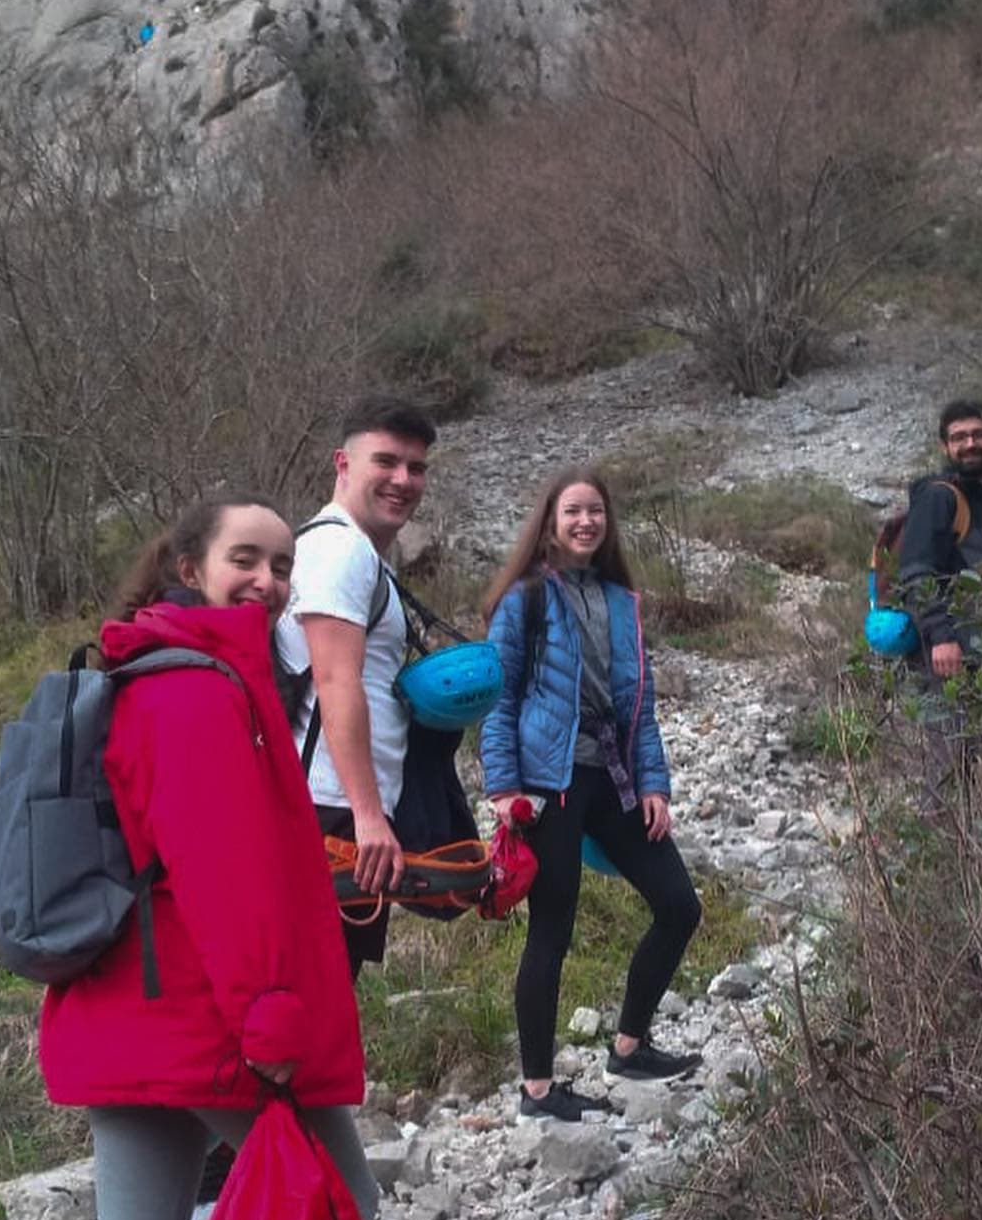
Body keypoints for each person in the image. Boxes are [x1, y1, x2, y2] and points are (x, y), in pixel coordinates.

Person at [36, 495, 381, 1220]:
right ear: (187, 563)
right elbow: (226, 875)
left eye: (284, 564)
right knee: (341, 1209)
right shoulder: (194, 685)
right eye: (247, 559)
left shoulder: (160, 671)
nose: (271, 582)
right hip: (208, 1016)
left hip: (128, 1007)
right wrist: (273, 1029)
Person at [480, 468, 703, 1123]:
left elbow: (642, 703)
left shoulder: (619, 599)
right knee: (552, 930)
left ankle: (629, 1046)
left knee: (679, 906)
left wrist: (654, 784)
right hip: (551, 782)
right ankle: (539, 1090)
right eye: (573, 511)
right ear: (550, 521)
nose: (585, 522)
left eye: (595, 512)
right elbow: (500, 694)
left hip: (616, 777)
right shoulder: (525, 598)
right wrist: (503, 787)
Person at [274, 399, 437, 978]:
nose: (402, 480)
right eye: (386, 462)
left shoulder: (356, 553)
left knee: (326, 989)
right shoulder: (341, 549)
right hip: (332, 812)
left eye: (415, 468)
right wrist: (369, 817)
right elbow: (335, 679)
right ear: (343, 463)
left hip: (340, 805)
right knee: (315, 991)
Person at [896, 399, 982, 809]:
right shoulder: (938, 498)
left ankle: (972, 859)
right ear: (945, 446)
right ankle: (937, 859)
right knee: (949, 764)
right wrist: (942, 636)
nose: (970, 444)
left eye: (978, 435)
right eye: (959, 437)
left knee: (975, 760)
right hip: (950, 654)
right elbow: (917, 573)